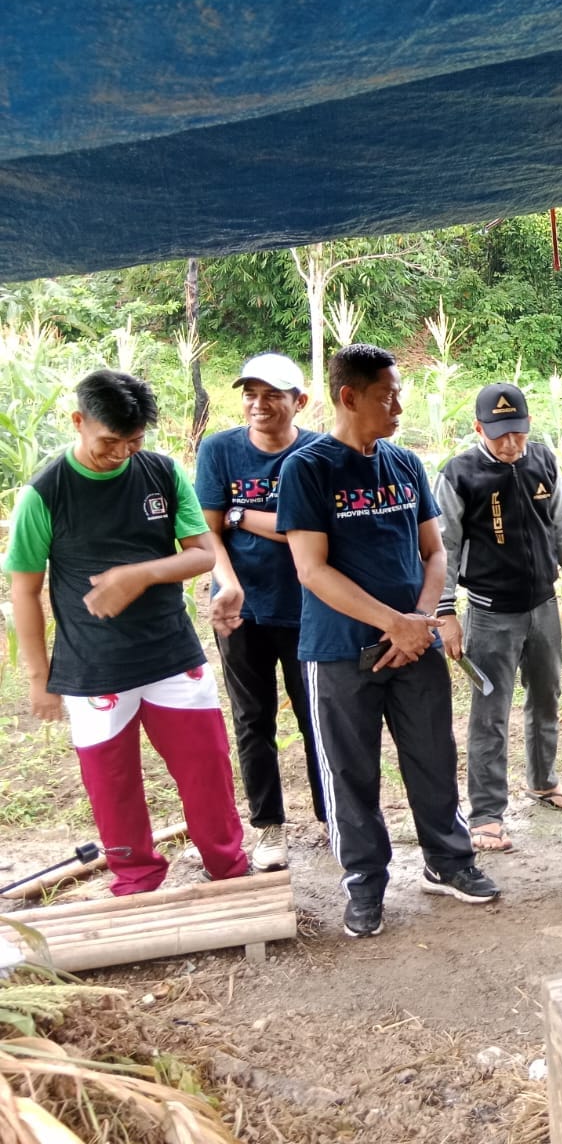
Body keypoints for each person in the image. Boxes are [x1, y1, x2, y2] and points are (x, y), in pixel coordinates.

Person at [276, 343, 498, 938]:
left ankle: (448, 862)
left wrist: (419, 620)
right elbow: (311, 569)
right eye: (386, 395)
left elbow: (435, 552)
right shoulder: (308, 468)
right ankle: (365, 885)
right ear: (348, 397)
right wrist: (390, 623)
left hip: (414, 645)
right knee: (351, 772)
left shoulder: (403, 464)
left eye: (398, 392)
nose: (398, 404)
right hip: (340, 650)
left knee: (432, 756)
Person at [4, 370, 250, 895]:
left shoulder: (160, 472)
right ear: (78, 422)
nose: (120, 455)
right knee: (112, 786)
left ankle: (228, 867)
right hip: (94, 668)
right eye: (108, 443)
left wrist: (139, 574)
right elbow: (25, 592)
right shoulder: (44, 495)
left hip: (171, 655)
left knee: (206, 770)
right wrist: (38, 676)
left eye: (133, 443)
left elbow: (204, 553)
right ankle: (135, 879)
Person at [434, 382, 562, 853]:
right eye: (500, 433)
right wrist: (445, 612)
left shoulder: (543, 461)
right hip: (488, 614)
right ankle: (486, 813)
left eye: (518, 433)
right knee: (490, 714)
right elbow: (443, 546)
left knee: (546, 695)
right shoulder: (459, 474)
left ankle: (543, 780)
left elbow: (561, 526)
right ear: (479, 428)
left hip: (542, 606)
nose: (510, 443)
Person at [195, 353, 326, 871]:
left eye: (273, 394)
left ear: (300, 401)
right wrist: (227, 582)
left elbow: (313, 531)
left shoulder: (319, 452)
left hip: (309, 610)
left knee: (319, 717)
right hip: (241, 611)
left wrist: (240, 512)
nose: (259, 404)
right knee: (253, 720)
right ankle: (269, 827)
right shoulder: (220, 450)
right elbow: (207, 531)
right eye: (251, 393)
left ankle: (332, 816)